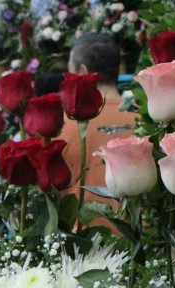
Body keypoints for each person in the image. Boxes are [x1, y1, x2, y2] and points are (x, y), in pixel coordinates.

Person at [59, 32, 138, 225]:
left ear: (83, 72)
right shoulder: (144, 120)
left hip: (82, 244)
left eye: (69, 70)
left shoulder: (63, 124)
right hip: (138, 242)